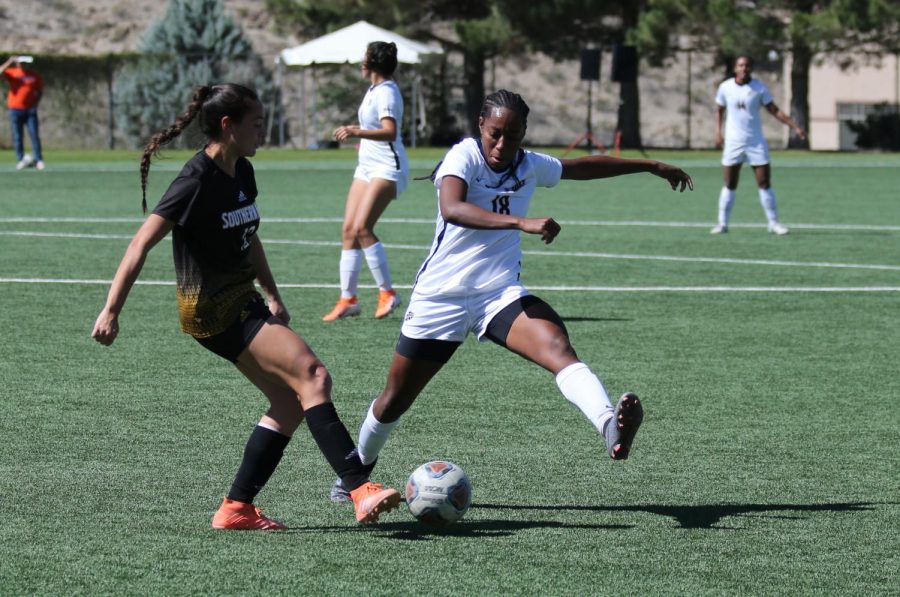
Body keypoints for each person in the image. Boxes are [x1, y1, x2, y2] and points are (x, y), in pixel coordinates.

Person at [330, 89, 694, 501]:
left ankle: (609, 425)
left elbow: (581, 167)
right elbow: (453, 208)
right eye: (496, 134)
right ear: (481, 127)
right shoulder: (462, 156)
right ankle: (354, 475)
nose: (503, 144)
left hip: (497, 295)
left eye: (513, 135)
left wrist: (650, 165)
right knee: (395, 398)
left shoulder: (529, 164)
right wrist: (520, 221)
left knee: (558, 346)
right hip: (441, 297)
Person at [90, 83, 401, 530]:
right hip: (211, 308)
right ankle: (357, 487)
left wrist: (273, 294)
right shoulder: (194, 180)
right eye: (256, 123)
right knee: (312, 375)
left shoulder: (243, 171)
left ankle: (236, 508)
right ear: (227, 126)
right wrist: (111, 309)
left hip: (244, 298)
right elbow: (141, 242)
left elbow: (248, 236)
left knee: (290, 403)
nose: (264, 131)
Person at [323, 41, 409, 321]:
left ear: (371, 63)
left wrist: (355, 131)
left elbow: (389, 131)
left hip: (388, 168)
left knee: (362, 228)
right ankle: (348, 299)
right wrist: (364, 143)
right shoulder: (374, 90)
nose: (361, 64)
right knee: (349, 229)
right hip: (367, 165)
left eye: (364, 59)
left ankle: (388, 293)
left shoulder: (387, 92)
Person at [711, 55, 807, 235]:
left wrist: (795, 127)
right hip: (733, 143)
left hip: (755, 143)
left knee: (764, 182)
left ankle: (773, 223)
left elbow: (775, 110)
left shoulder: (758, 88)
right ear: (735, 68)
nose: (744, 68)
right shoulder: (725, 88)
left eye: (747, 65)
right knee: (730, 183)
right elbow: (719, 110)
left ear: (751, 68)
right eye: (740, 65)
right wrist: (718, 132)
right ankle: (722, 223)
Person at [1, 55, 45, 170]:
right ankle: (20, 159)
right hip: (15, 109)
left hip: (30, 110)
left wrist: (36, 103)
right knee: (17, 136)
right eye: (22, 63)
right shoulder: (13, 72)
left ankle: (38, 159)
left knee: (34, 134)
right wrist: (9, 61)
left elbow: (39, 90)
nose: (25, 66)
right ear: (18, 64)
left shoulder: (34, 75)